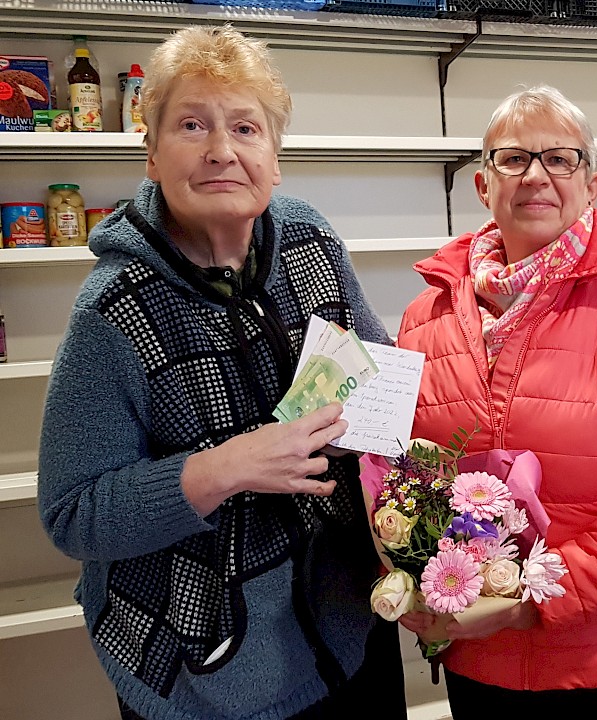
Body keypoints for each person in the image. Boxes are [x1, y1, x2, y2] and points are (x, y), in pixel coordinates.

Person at [37, 26, 403, 720]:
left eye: (245, 127)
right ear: (150, 152)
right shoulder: (112, 312)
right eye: (191, 125)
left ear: (275, 157)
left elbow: (375, 373)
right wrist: (223, 468)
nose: (221, 151)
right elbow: (72, 513)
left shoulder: (311, 240)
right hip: (205, 670)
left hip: (349, 626)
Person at [395, 86, 597, 720]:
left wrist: (538, 595)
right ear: (483, 185)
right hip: (479, 661)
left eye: (560, 158)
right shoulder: (422, 318)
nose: (536, 175)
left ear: (592, 185)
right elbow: (406, 477)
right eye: (512, 158)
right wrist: (421, 578)